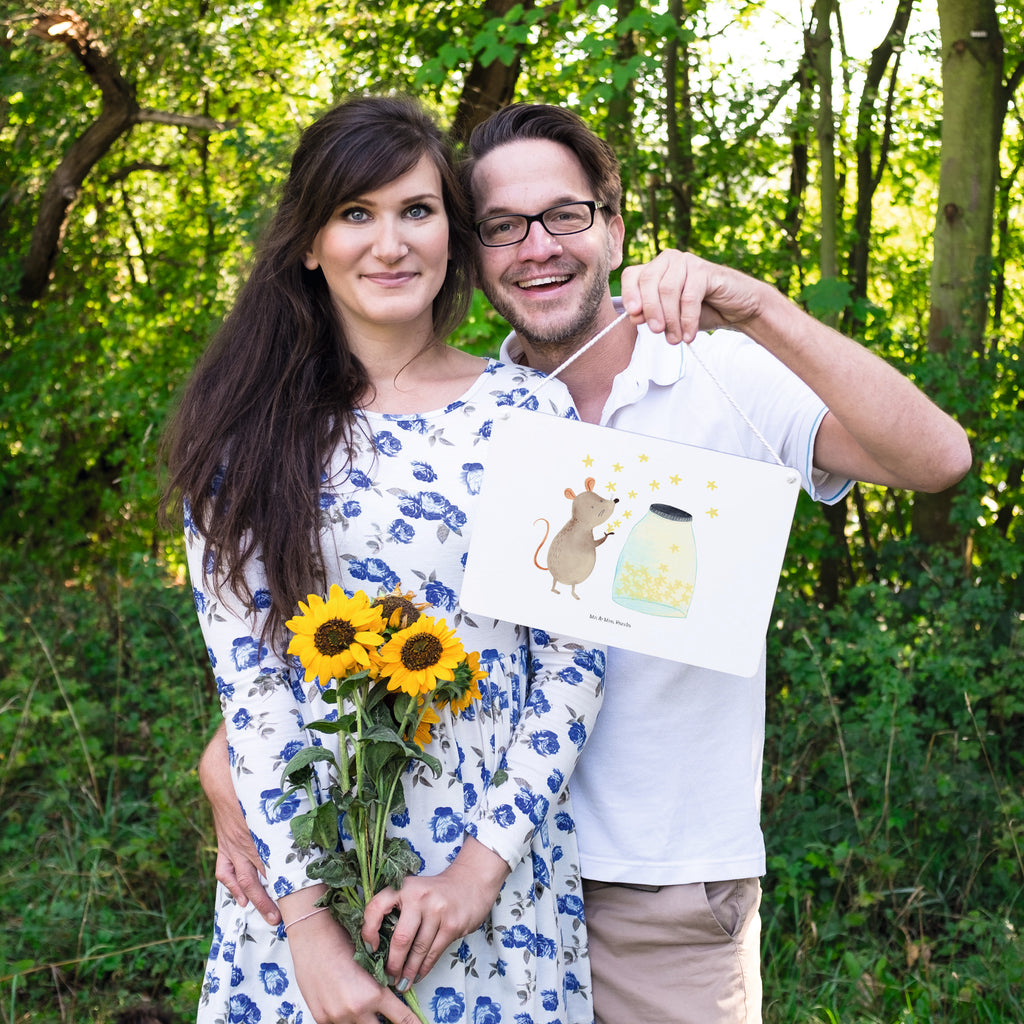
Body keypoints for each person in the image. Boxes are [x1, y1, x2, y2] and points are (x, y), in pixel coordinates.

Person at [202, 102, 972, 1024]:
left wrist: (758, 306)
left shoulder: (710, 374)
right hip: (419, 870)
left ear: (614, 227)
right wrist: (233, 757)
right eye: (503, 226)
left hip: (650, 887)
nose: (537, 247)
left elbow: (938, 459)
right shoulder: (472, 413)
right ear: (474, 248)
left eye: (564, 215)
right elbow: (337, 626)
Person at [163, 96, 607, 1024]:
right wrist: (310, 935)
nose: (391, 243)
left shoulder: (530, 412)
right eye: (355, 213)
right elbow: (253, 689)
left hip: (492, 881)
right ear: (309, 243)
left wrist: (478, 874)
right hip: (303, 878)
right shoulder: (245, 437)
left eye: (417, 210)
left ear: (453, 231)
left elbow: (574, 661)